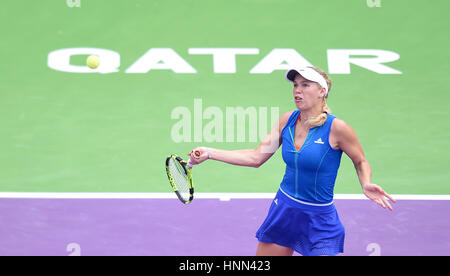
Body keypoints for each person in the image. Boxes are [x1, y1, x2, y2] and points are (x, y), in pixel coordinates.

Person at [188, 66, 396, 256]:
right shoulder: (287, 120)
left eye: (306, 85)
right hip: (284, 211)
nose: (298, 90)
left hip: (319, 220)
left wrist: (365, 183)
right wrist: (209, 152)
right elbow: (256, 156)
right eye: (296, 85)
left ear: (322, 91)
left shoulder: (337, 129)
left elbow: (360, 161)